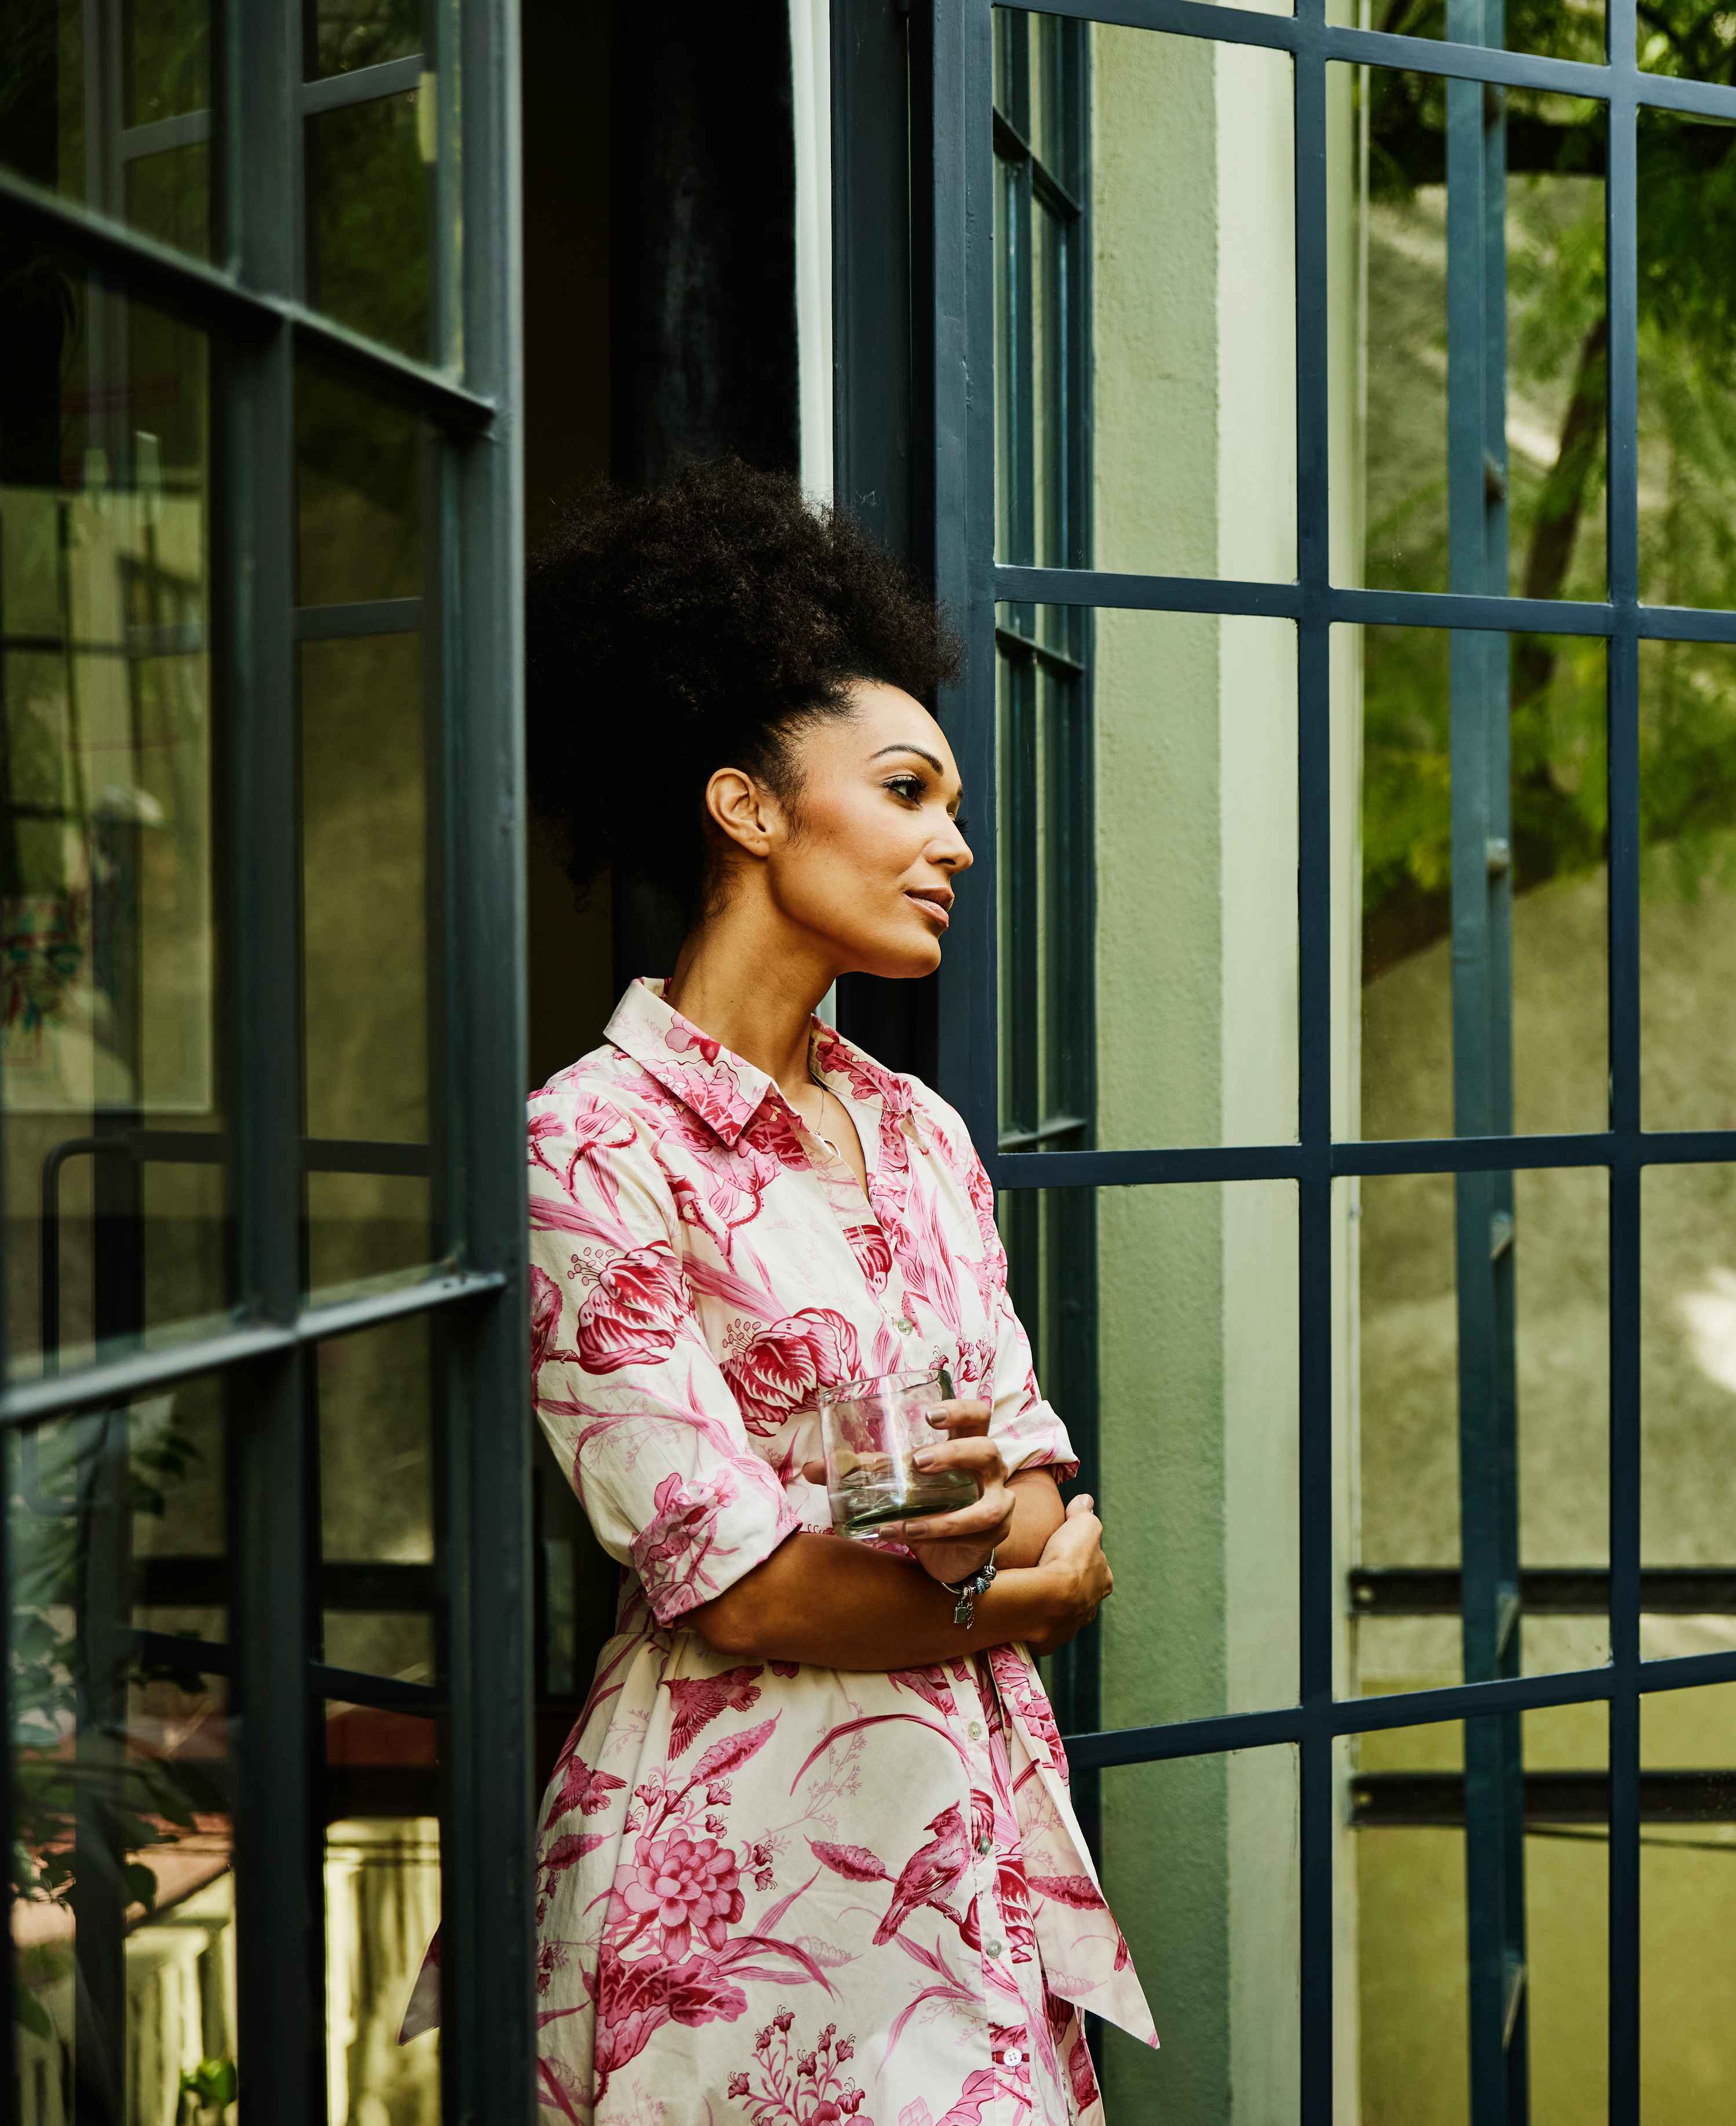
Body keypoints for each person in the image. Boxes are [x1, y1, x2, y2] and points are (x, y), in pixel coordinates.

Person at [519, 462, 1151, 2125]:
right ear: (746, 808)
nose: (952, 841)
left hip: (959, 1836)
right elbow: (738, 1593)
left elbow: (1027, 1474)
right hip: (737, 1877)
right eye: (905, 789)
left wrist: (985, 1517)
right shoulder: (589, 1148)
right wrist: (1024, 1598)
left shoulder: (916, 1129)